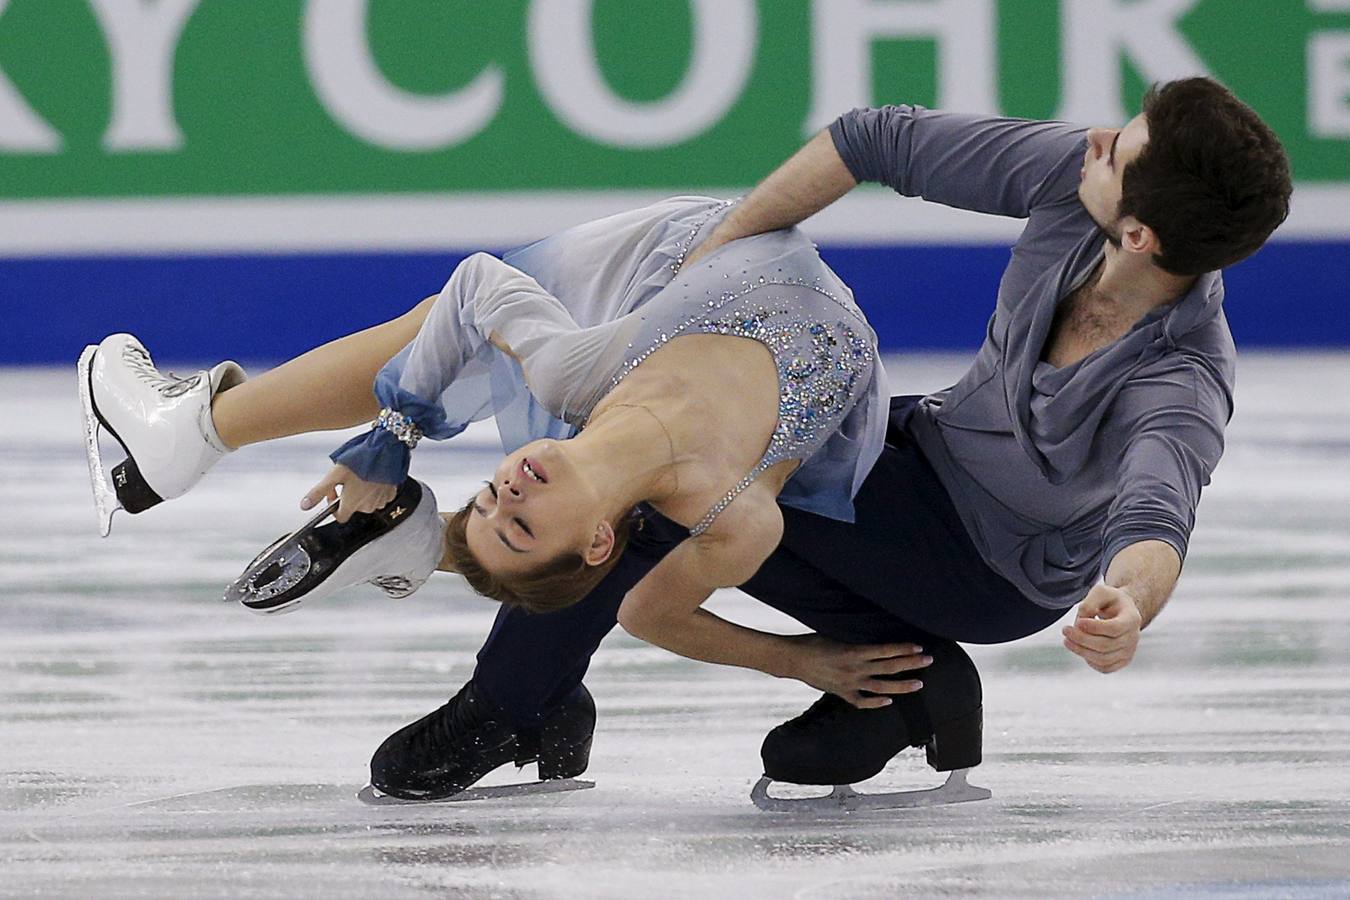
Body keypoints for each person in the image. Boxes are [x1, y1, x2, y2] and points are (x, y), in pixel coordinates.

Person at [357, 76, 1291, 803]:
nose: (1095, 136)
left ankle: (514, 703)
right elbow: (871, 139)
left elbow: (1156, 517)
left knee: (655, 492)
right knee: (652, 456)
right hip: (915, 447)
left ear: (1137, 233)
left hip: (985, 565)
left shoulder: (1179, 376)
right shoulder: (1076, 184)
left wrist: (1127, 604)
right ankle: (909, 685)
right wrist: (715, 256)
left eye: (1118, 147)